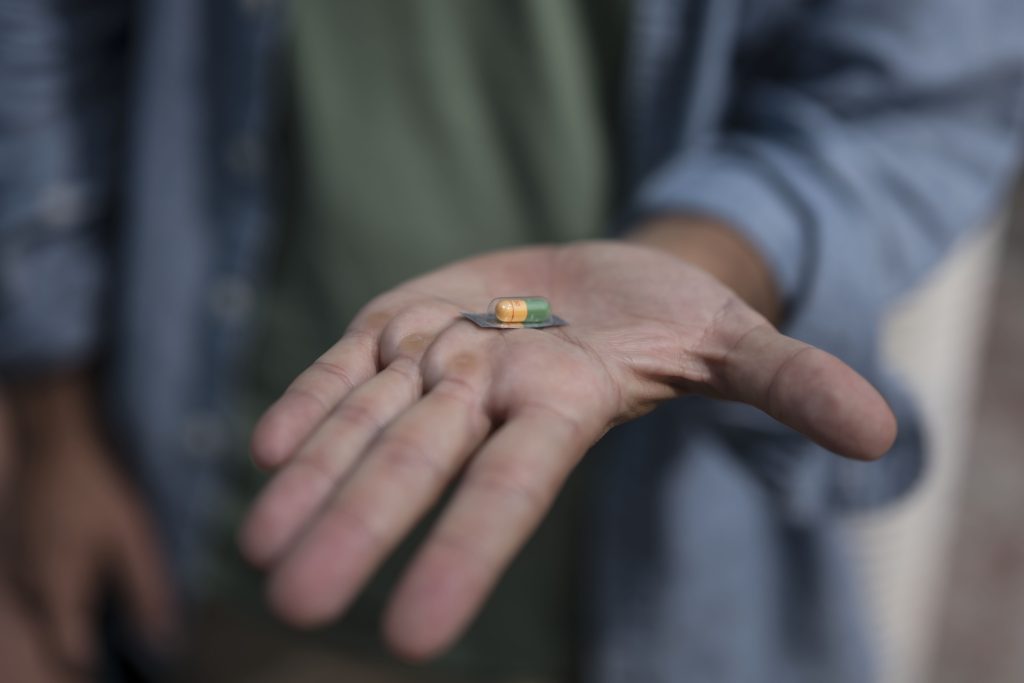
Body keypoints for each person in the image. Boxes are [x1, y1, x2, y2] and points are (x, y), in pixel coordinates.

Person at [2, 1, 1022, 682]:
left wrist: (707, 252)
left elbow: (917, 94)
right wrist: (51, 418)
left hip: (650, 592)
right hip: (195, 518)